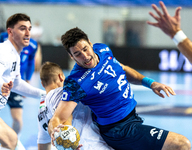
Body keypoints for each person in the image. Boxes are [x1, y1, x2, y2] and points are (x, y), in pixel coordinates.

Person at [48, 27, 191, 150]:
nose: (85, 56)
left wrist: (150, 83)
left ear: (91, 44)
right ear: (71, 57)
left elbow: (121, 68)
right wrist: (54, 130)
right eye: (77, 54)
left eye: (85, 49)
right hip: (119, 130)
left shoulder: (102, 50)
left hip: (133, 118)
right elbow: (59, 117)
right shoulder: (76, 82)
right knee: (181, 144)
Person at [0, 13, 46, 150]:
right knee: (11, 140)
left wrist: (45, 94)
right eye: (22, 28)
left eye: (29, 28)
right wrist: (1, 85)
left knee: (11, 140)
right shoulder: (4, 51)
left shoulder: (15, 54)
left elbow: (17, 84)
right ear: (10, 31)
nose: (28, 33)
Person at [38, 61, 113, 150]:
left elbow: (42, 143)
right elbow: (65, 119)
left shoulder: (41, 112)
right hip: (92, 144)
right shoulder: (62, 93)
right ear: (61, 76)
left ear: (42, 84)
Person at [0, 31, 38, 138]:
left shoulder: (32, 45)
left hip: (14, 85)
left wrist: (27, 81)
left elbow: (31, 63)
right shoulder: (2, 38)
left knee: (17, 120)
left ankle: (15, 141)